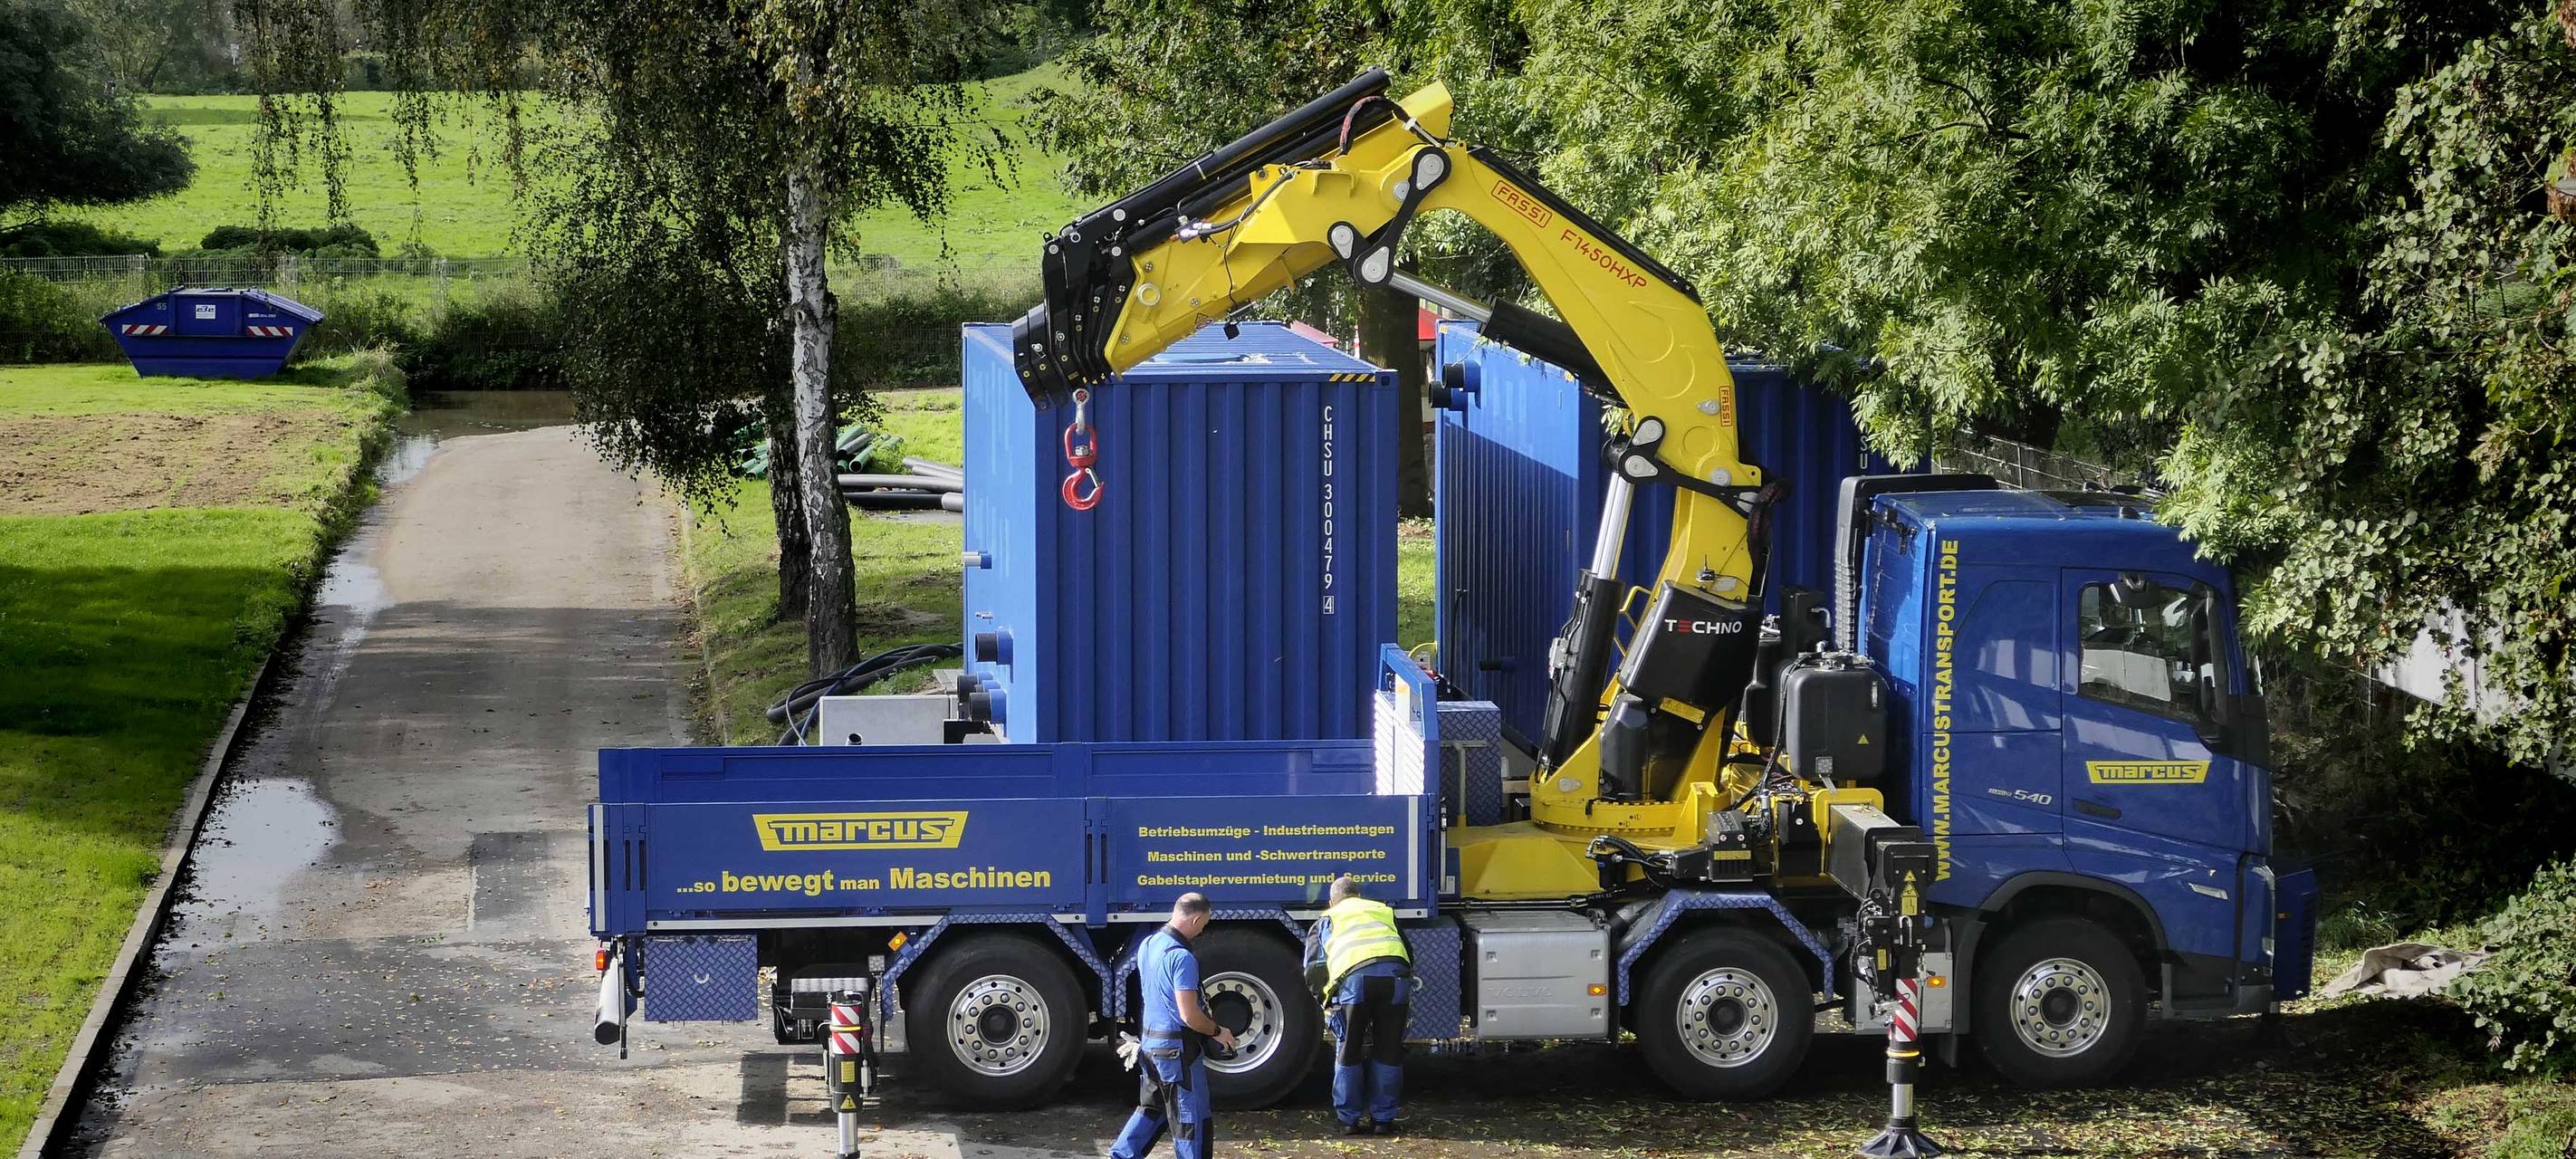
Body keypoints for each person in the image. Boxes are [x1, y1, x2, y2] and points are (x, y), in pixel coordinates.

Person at [1110, 893, 1235, 1159]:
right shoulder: (1182, 957)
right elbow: (1189, 1015)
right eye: (1204, 925)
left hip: (1150, 1046)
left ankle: (1121, 1155)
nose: (1202, 931)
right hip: (1178, 1053)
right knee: (1190, 1119)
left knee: (1151, 1109)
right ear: (1198, 918)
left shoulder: (1148, 944)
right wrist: (1217, 1031)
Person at [1303, 875, 1412, 1135]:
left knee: (1349, 1049)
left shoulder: (1328, 918)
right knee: (1389, 1050)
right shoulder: (1383, 911)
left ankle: (1348, 1120)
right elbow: (1406, 949)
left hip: (1355, 982)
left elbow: (1314, 968)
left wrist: (1326, 1001)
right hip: (1395, 978)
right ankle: (1383, 1120)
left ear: (1332, 900)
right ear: (1359, 896)